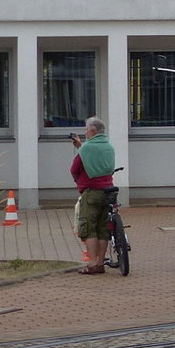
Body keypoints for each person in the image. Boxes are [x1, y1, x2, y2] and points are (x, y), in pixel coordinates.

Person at [69, 116, 116, 275]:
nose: (85, 133)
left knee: (89, 228)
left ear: (93, 131)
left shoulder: (86, 148)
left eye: (86, 130)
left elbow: (74, 169)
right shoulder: (109, 146)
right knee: (103, 229)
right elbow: (98, 159)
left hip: (92, 192)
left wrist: (78, 182)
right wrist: (80, 146)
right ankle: (101, 262)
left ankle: (92, 263)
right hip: (109, 191)